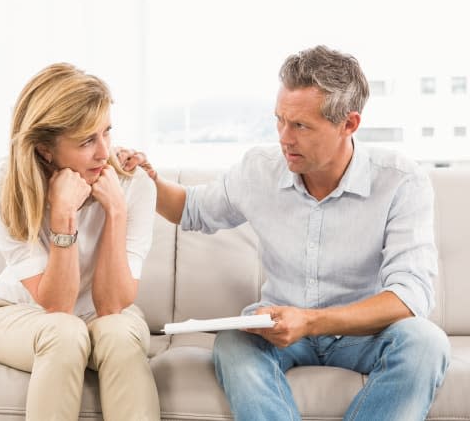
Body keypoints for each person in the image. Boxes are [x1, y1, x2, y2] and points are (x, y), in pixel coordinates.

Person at [118, 45, 450, 420]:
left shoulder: (401, 181)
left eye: (301, 126)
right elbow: (191, 210)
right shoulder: (260, 170)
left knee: (426, 343)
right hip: (279, 333)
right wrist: (149, 181)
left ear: (349, 124)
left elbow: (409, 297)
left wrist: (309, 321)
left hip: (365, 334)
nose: (284, 138)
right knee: (234, 344)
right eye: (279, 120)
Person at [0, 63, 160, 421]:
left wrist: (116, 211)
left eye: (107, 132)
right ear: (45, 149)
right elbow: (56, 305)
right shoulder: (3, 189)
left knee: (118, 333)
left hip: (103, 316)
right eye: (87, 140)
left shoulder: (136, 186)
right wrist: (62, 215)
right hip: (17, 313)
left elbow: (112, 305)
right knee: (65, 331)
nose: (104, 152)